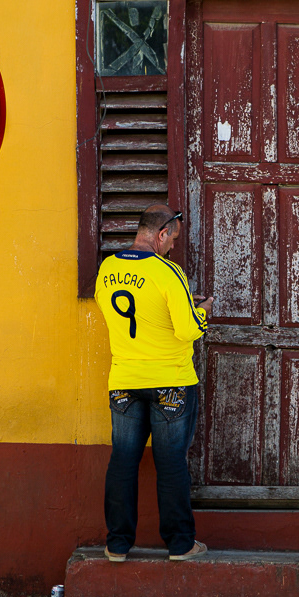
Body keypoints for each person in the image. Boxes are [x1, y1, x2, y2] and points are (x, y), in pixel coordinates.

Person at [94, 203, 213, 562]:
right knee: (171, 463)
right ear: (161, 234)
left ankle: (117, 544)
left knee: (123, 460)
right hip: (170, 382)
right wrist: (202, 310)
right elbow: (188, 329)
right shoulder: (167, 271)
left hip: (125, 381)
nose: (173, 247)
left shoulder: (108, 268)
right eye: (172, 240)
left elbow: (118, 310)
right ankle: (180, 544)